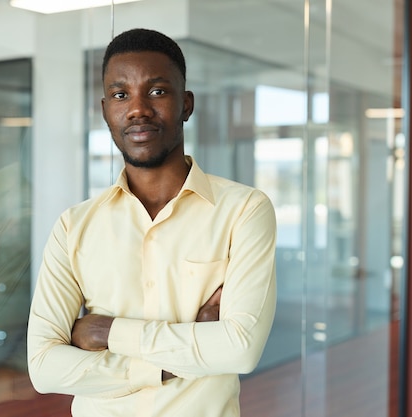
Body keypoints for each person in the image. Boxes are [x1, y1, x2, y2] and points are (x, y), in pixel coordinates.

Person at [26, 28, 277, 417]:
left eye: (157, 91)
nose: (138, 109)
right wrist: (179, 355)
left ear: (186, 105)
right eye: (121, 95)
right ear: (106, 108)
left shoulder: (243, 210)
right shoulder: (74, 226)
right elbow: (44, 368)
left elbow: (240, 349)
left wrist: (109, 333)